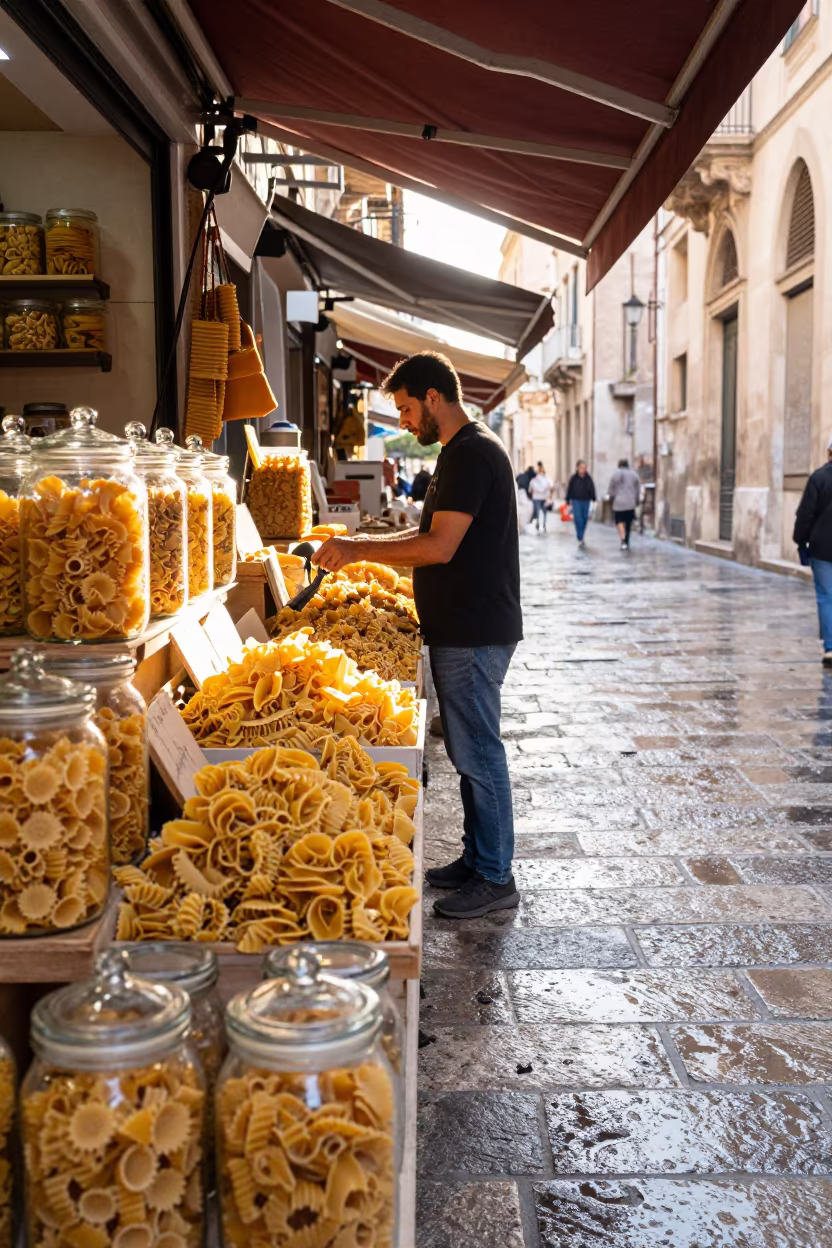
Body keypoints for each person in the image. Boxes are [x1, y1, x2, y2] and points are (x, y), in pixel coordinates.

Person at [313, 350, 522, 919]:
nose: (403, 422)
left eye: (406, 408)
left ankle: (496, 876)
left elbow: (439, 547)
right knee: (466, 749)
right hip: (463, 626)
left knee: (479, 751)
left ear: (434, 397)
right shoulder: (460, 453)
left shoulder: (474, 454)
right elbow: (429, 531)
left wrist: (357, 550)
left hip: (475, 630)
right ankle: (478, 859)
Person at [794, 437, 832, 666]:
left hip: (822, 547)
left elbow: (805, 514)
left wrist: (801, 542)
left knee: (826, 596)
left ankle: (830, 647)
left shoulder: (818, 477)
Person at [608, 458, 641, 550]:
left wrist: (611, 499)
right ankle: (626, 540)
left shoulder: (615, 475)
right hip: (630, 503)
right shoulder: (634, 475)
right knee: (628, 523)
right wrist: (637, 501)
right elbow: (637, 490)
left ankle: (622, 539)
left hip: (618, 503)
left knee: (619, 522)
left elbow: (611, 490)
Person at [566, 460, 596, 547]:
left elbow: (592, 488)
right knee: (578, 518)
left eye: (585, 468)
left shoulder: (588, 478)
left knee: (585, 518)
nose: (583, 469)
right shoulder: (573, 478)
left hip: (586, 500)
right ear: (578, 468)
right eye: (582, 468)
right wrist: (568, 499)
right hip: (576, 500)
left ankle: (581, 535)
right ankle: (580, 536)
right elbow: (570, 489)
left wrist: (593, 498)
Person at [528, 461, 553, 532]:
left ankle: (538, 523)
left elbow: (530, 489)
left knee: (537, 511)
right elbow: (551, 487)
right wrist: (550, 496)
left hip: (536, 497)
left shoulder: (533, 480)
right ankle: (544, 523)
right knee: (544, 511)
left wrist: (531, 497)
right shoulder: (547, 478)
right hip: (544, 497)